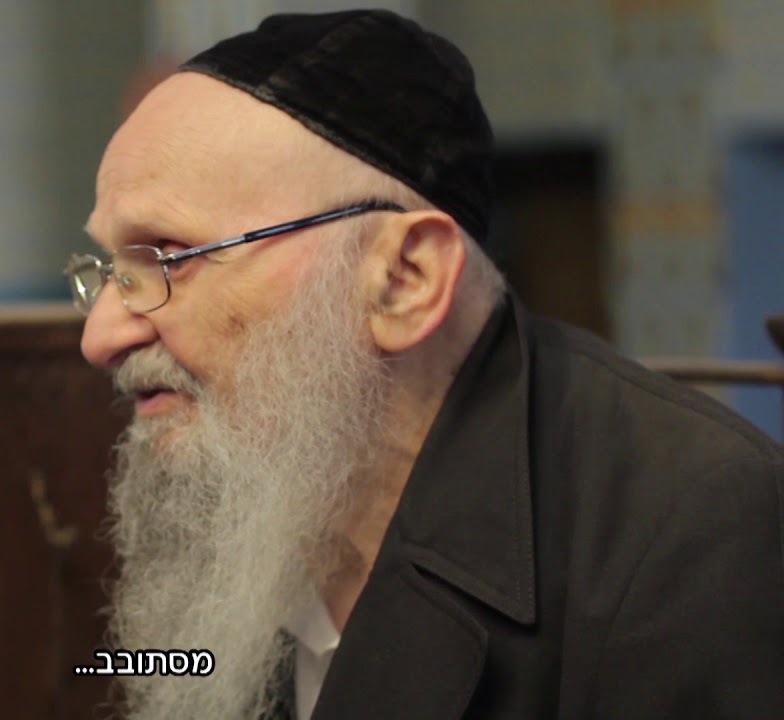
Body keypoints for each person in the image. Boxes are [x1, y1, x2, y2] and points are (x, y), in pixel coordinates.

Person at [62, 9, 784, 720]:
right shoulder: (229, 489)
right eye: (110, 269)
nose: (100, 336)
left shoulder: (689, 535)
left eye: (167, 257)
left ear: (405, 279)